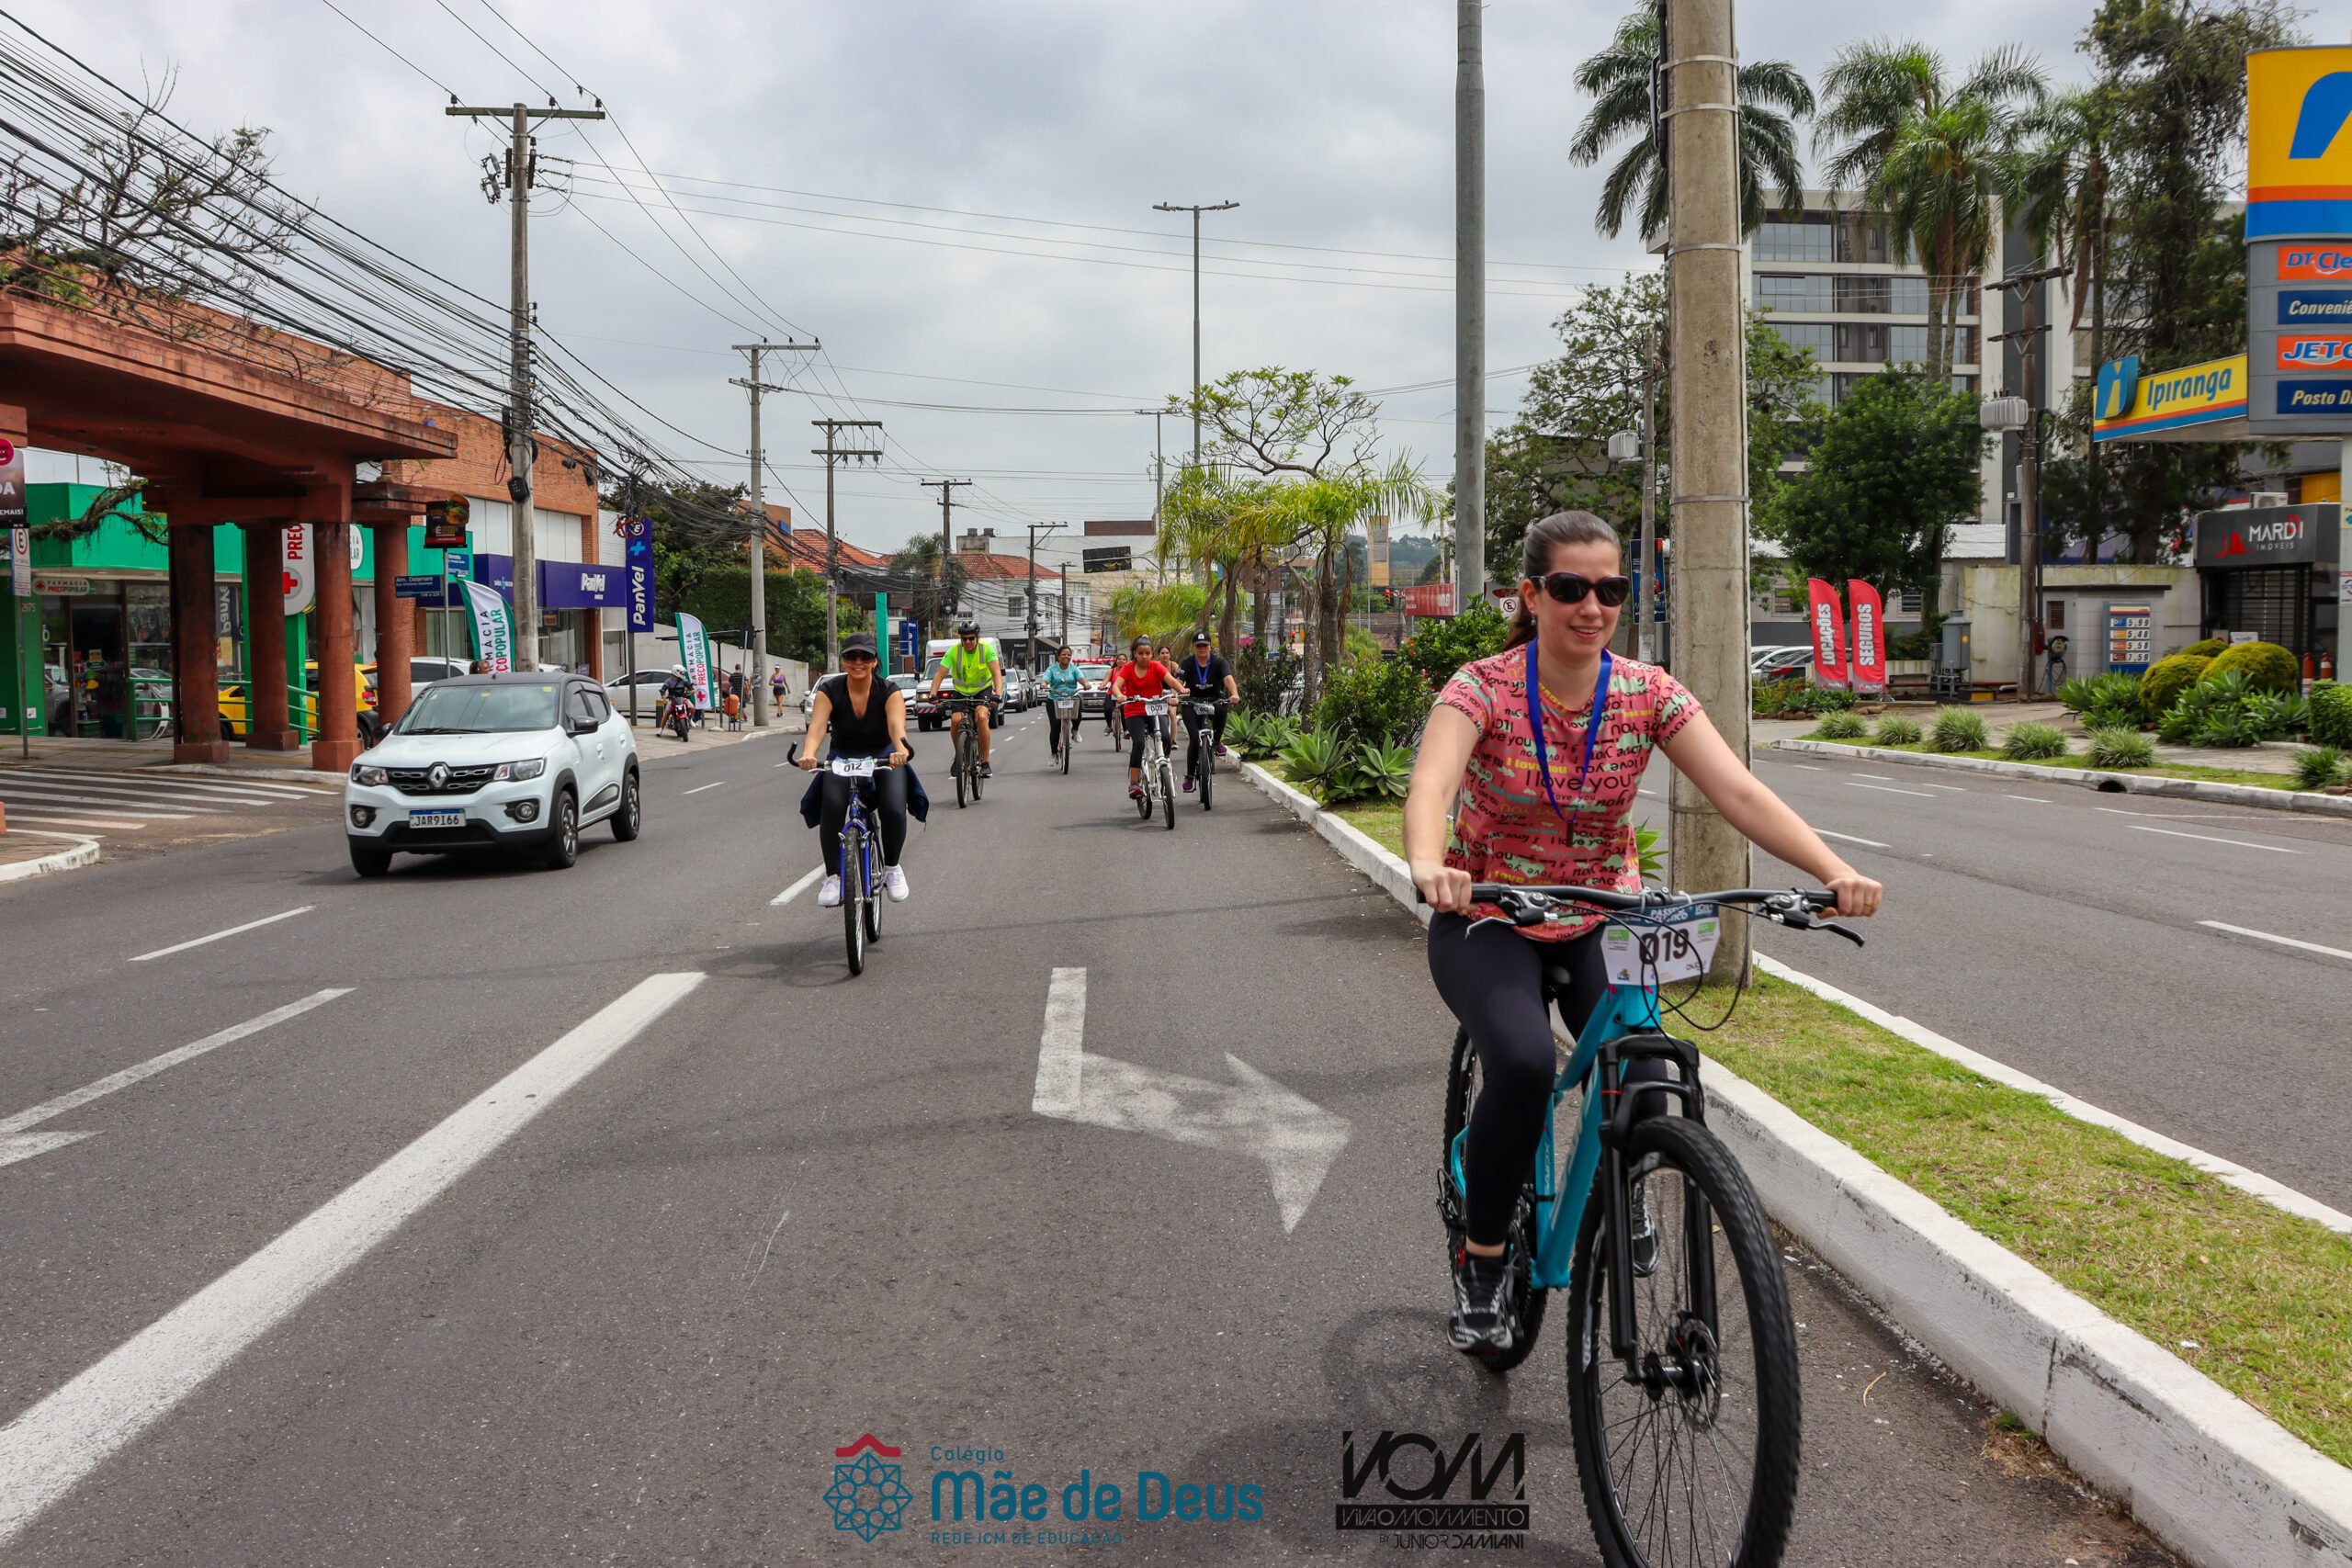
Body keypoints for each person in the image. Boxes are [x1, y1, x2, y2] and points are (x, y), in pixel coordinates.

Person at [1404, 510, 1883, 1357]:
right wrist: (1427, 861)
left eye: (1611, 589)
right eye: (1570, 588)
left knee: (1650, 1069)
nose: (1592, 607)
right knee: (1524, 1063)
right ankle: (1482, 1260)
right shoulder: (1483, 687)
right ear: (1532, 594)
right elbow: (1433, 783)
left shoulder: (1647, 692)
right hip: (1491, 913)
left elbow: (1737, 792)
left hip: (1603, 912)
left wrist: (1831, 869)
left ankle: (1624, 1179)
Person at [797, 633, 914, 906]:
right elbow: (817, 727)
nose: (858, 662)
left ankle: (892, 868)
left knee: (894, 809)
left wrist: (901, 751)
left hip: (883, 756)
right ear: (844, 660)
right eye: (851, 656)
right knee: (833, 805)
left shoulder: (889, 690)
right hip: (842, 757)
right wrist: (808, 754)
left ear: (874, 661)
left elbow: (896, 726)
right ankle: (833, 877)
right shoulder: (830, 690)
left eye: (865, 656)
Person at [1109, 635, 1183, 800]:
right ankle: (1134, 782)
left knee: (1165, 737)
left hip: (1154, 709)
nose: (1144, 657)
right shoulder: (1128, 668)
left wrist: (1181, 690)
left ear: (1152, 654)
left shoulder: (1156, 666)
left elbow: (1172, 681)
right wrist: (1120, 695)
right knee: (1139, 743)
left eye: (1147, 653)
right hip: (1134, 711)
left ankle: (1166, 764)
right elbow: (1116, 686)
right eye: (1141, 653)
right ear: (1134, 653)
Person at [929, 620, 1002, 777]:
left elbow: (996, 673)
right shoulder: (954, 651)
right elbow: (940, 673)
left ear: (978, 637)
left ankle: (985, 762)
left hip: (982, 690)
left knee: (981, 717)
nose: (967, 642)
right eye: (964, 639)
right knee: (956, 720)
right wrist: (933, 693)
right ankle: (960, 756)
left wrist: (998, 694)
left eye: (971, 638)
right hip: (961, 692)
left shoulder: (986, 649)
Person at [1174, 630, 1239, 793]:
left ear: (1210, 646)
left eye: (1205, 645)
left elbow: (1228, 679)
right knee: (1194, 738)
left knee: (1222, 707)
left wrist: (1234, 694)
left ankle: (1216, 741)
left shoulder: (1219, 662)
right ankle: (1190, 776)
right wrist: (1176, 695)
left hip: (1214, 699)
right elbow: (1178, 682)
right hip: (1192, 701)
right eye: (1198, 646)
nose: (1202, 648)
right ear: (1194, 647)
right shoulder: (1187, 663)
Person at [1038, 645, 1085, 758]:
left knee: (1078, 711)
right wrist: (1044, 685)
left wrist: (1086, 684)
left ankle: (1075, 730)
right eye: (1063, 654)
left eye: (1069, 655)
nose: (1066, 657)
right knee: (1055, 727)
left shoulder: (1074, 669)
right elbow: (1045, 681)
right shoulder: (1051, 669)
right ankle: (1054, 753)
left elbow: (1082, 679)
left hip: (1071, 697)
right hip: (1055, 699)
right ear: (1058, 656)